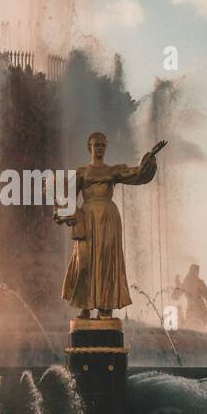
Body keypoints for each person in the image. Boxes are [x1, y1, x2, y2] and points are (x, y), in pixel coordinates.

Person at [57, 133, 166, 319]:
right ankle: (85, 305)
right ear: (89, 147)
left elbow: (138, 174)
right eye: (96, 145)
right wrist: (64, 213)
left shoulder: (113, 170)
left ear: (105, 148)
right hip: (87, 218)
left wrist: (151, 156)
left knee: (107, 260)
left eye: (102, 145)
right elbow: (68, 198)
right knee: (84, 262)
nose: (99, 148)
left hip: (108, 217)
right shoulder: (81, 172)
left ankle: (104, 307)